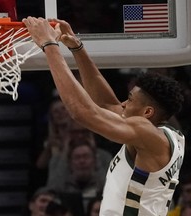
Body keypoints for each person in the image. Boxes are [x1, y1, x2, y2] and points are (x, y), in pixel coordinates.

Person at [22, 17, 185, 216]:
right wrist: (77, 48)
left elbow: (83, 112)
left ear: (147, 113)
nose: (123, 104)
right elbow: (107, 105)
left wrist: (49, 46)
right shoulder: (164, 135)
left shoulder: (148, 134)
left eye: (130, 100)